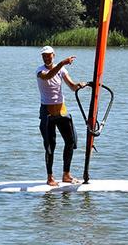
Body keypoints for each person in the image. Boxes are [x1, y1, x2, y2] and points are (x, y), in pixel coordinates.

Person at [36, 45, 89, 186]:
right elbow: (48, 76)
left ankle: (66, 175)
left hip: (61, 110)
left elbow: (72, 86)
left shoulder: (62, 70)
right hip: (47, 112)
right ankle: (50, 177)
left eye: (49, 55)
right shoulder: (40, 71)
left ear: (53, 55)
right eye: (44, 55)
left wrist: (80, 85)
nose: (46, 57)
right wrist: (62, 63)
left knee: (70, 141)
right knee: (50, 145)